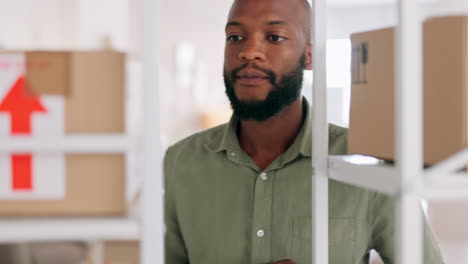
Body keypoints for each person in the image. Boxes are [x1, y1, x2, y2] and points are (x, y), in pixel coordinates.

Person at [163, 0, 445, 263]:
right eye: (235, 37)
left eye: (274, 37)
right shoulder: (180, 162)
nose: (248, 51)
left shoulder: (369, 164)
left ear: (309, 56)